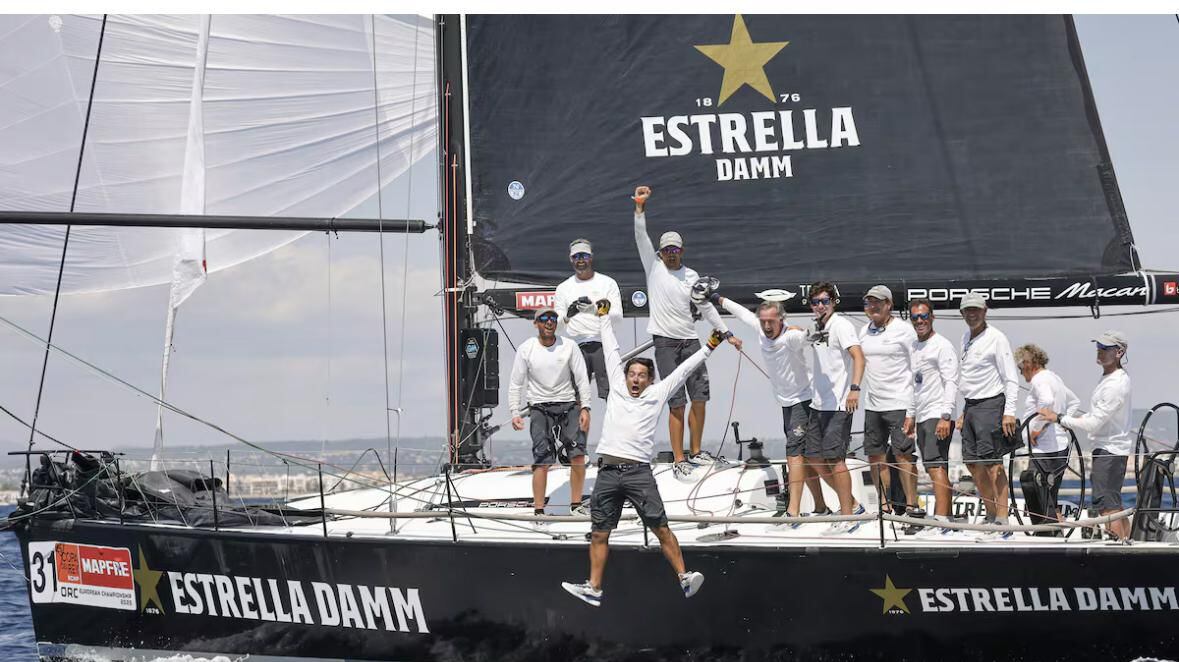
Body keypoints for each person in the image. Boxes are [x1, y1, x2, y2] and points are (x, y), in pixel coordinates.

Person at [561, 306, 725, 606]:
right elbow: (610, 348)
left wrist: (709, 347)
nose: (635, 380)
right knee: (599, 533)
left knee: (661, 527)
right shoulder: (616, 388)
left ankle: (684, 577)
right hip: (608, 472)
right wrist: (603, 317)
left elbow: (683, 371)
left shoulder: (657, 393)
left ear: (650, 380)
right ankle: (594, 587)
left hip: (638, 473)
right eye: (632, 375)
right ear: (625, 377)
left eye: (642, 376)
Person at [632, 185, 740, 476]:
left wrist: (727, 333)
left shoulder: (691, 275)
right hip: (665, 344)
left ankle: (696, 452)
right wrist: (640, 208)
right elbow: (641, 237)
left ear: (681, 251)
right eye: (666, 250)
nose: (671, 254)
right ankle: (679, 459)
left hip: (691, 341)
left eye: (675, 250)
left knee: (700, 397)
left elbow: (706, 307)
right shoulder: (653, 267)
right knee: (676, 403)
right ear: (661, 253)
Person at [714, 292, 830, 523]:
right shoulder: (760, 329)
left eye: (771, 321)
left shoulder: (790, 336)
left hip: (803, 401)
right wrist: (718, 298)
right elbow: (742, 313)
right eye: (763, 321)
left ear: (781, 319)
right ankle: (821, 507)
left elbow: (803, 338)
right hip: (787, 403)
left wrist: (812, 333)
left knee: (794, 454)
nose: (767, 326)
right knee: (806, 457)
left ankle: (793, 512)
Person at [1039, 331, 1133, 541]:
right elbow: (1095, 417)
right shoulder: (1110, 378)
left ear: (1119, 352)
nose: (1099, 351)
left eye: (1105, 348)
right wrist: (1069, 420)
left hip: (1109, 450)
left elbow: (1093, 424)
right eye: (1098, 347)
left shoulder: (1115, 385)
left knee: (1107, 507)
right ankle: (1126, 543)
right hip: (1110, 449)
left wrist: (1060, 418)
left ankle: (1119, 551)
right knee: (1114, 503)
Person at [507, 307, 592, 522]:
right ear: (536, 323)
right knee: (542, 458)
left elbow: (582, 377)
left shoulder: (569, 346)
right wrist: (515, 412)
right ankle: (538, 511)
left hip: (568, 405)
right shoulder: (526, 348)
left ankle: (576, 505)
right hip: (539, 407)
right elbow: (516, 383)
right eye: (543, 318)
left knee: (578, 455)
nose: (549, 322)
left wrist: (586, 407)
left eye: (553, 318)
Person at [803, 281, 866, 534]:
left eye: (825, 301)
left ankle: (848, 516)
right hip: (818, 404)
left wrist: (855, 389)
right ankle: (852, 504)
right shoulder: (817, 327)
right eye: (815, 302)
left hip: (839, 403)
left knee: (835, 459)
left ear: (833, 302)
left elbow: (859, 357)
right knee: (813, 457)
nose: (820, 306)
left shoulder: (841, 325)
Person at [956, 292, 1020, 537]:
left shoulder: (996, 338)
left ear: (985, 311)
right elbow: (968, 378)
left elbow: (1011, 377)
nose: (972, 314)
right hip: (971, 406)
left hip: (992, 405)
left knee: (994, 464)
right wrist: (963, 412)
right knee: (973, 463)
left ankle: (1002, 519)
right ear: (962, 313)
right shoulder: (965, 337)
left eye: (976, 310)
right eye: (967, 310)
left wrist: (1009, 412)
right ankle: (991, 515)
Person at [857, 285, 918, 514]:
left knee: (903, 454)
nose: (873, 306)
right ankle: (884, 506)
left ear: (889, 305)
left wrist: (912, 409)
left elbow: (917, 367)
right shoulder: (863, 332)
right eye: (870, 302)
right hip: (873, 405)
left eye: (878, 302)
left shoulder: (904, 330)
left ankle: (912, 506)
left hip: (900, 402)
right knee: (875, 456)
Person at [1015, 344, 1080, 523]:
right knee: (1051, 499)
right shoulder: (1054, 378)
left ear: (1029, 363)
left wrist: (1037, 429)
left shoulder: (1039, 380)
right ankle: (1055, 531)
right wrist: (1064, 421)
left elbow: (1047, 401)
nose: (1020, 372)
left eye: (1020, 366)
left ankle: (1045, 533)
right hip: (1060, 447)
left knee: (1037, 496)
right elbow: (1075, 401)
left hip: (1043, 449)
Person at [908, 299, 959, 526]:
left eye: (924, 316)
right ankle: (946, 516)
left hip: (937, 414)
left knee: (935, 465)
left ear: (932, 317)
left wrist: (945, 416)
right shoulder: (914, 346)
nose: (920, 321)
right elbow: (915, 385)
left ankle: (941, 519)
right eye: (915, 317)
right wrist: (910, 415)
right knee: (935, 466)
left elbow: (951, 382)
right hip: (922, 415)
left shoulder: (942, 345)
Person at [554, 238, 623, 401]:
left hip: (603, 343)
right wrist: (568, 316)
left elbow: (618, 318)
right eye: (576, 257)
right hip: (576, 345)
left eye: (584, 256)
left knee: (612, 394)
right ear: (571, 259)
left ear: (591, 257)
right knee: (574, 396)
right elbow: (556, 327)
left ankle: (612, 419)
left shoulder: (608, 283)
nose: (580, 260)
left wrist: (594, 310)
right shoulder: (563, 288)